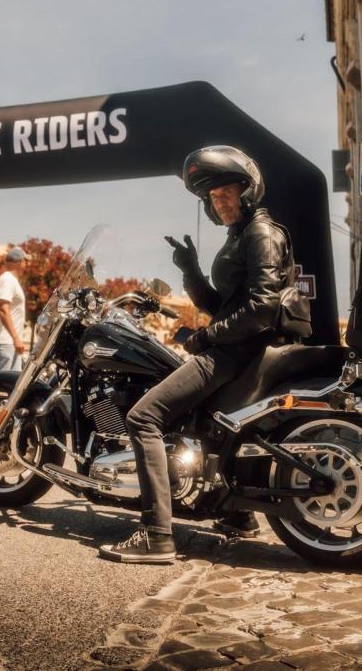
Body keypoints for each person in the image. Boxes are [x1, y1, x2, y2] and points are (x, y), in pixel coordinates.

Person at [99, 145, 300, 564]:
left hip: (235, 354)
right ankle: (236, 514)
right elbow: (222, 305)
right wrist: (190, 269)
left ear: (247, 191)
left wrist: (208, 337)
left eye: (226, 193)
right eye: (213, 197)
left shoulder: (261, 233)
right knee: (202, 424)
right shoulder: (242, 235)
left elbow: (262, 308)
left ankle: (156, 534)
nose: (219, 202)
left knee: (143, 417)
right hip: (238, 348)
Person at [0, 246, 28, 372]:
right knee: (1, 382)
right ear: (19, 262)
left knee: (12, 382)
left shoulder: (11, 280)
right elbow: (3, 310)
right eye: (25, 261)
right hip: (4, 343)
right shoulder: (7, 280)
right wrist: (16, 338)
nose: (26, 265)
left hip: (9, 343)